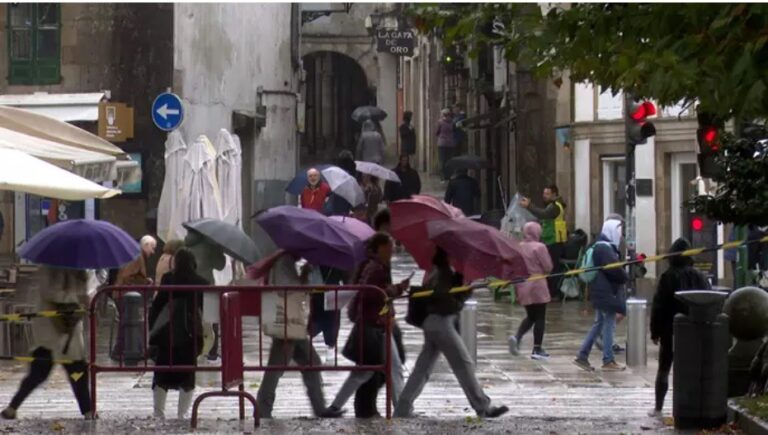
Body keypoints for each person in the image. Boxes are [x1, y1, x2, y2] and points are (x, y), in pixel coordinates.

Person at [395, 247, 509, 418]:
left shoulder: (439, 272)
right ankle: (483, 407)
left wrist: (463, 289)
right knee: (464, 364)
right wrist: (464, 294)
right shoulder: (446, 274)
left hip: (432, 323)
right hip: (442, 323)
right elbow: (446, 303)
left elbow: (441, 297)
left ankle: (402, 408)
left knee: (422, 369)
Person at [321, 233, 409, 418]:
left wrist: (396, 288)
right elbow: (370, 294)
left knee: (379, 369)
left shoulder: (376, 266)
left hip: (378, 325)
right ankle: (401, 409)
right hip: (375, 327)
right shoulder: (376, 268)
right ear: (379, 248)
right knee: (370, 370)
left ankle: (401, 408)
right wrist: (394, 290)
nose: (392, 251)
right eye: (388, 247)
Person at [2, 267, 94, 420]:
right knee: (39, 372)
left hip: (71, 329)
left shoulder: (80, 271)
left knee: (78, 371)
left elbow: (85, 292)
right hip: (50, 328)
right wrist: (73, 297)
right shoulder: (50, 268)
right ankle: (12, 407)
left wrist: (84, 296)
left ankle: (87, 411)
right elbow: (49, 292)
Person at [256, 253, 327, 418]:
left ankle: (320, 408)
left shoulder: (285, 260)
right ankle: (262, 410)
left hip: (293, 324)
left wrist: (304, 275)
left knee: (311, 362)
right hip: (286, 324)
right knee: (275, 369)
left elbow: (294, 289)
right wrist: (304, 276)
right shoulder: (283, 261)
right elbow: (289, 290)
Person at [648, 238, 710, 418]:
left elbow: (659, 306)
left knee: (664, 369)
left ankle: (658, 407)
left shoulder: (668, 277)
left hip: (671, 331)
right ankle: (691, 406)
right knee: (693, 370)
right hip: (695, 330)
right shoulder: (700, 276)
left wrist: (655, 331)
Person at [148, 248, 206, 419]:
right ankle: (183, 414)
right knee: (187, 374)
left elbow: (158, 305)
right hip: (190, 334)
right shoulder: (201, 282)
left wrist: (152, 328)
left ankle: (159, 412)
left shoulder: (168, 279)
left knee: (162, 373)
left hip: (168, 334)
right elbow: (206, 310)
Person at [574, 218, 628, 372]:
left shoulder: (601, 246)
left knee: (599, 324)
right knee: (608, 325)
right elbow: (614, 270)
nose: (620, 235)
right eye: (619, 231)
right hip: (606, 293)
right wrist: (625, 275)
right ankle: (608, 359)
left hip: (601, 292)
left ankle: (582, 356)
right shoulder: (604, 249)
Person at [508, 222, 554, 360]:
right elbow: (548, 266)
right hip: (537, 284)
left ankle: (517, 337)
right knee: (540, 317)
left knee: (531, 316)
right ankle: (537, 348)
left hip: (523, 285)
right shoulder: (539, 247)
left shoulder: (519, 247)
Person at [112, 235, 156, 360]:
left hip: (123, 293)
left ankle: (125, 350)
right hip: (124, 294)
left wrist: (144, 280)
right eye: (152, 248)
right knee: (126, 323)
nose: (152, 252)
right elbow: (127, 276)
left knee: (126, 323)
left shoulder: (136, 254)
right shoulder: (137, 256)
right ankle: (120, 351)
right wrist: (144, 282)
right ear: (146, 245)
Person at [520, 185, 567, 298]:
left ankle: (554, 293)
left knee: (553, 269)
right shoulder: (551, 205)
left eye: (547, 194)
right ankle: (552, 292)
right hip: (550, 239)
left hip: (554, 241)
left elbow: (543, 214)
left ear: (554, 194)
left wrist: (529, 206)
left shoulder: (554, 206)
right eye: (544, 193)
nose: (544, 196)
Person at [436, 108, 455, 181]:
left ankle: (442, 177)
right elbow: (454, 130)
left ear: (443, 114)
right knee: (449, 160)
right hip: (450, 143)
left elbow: (437, 132)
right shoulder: (452, 122)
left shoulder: (440, 122)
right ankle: (448, 176)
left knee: (442, 160)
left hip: (442, 143)